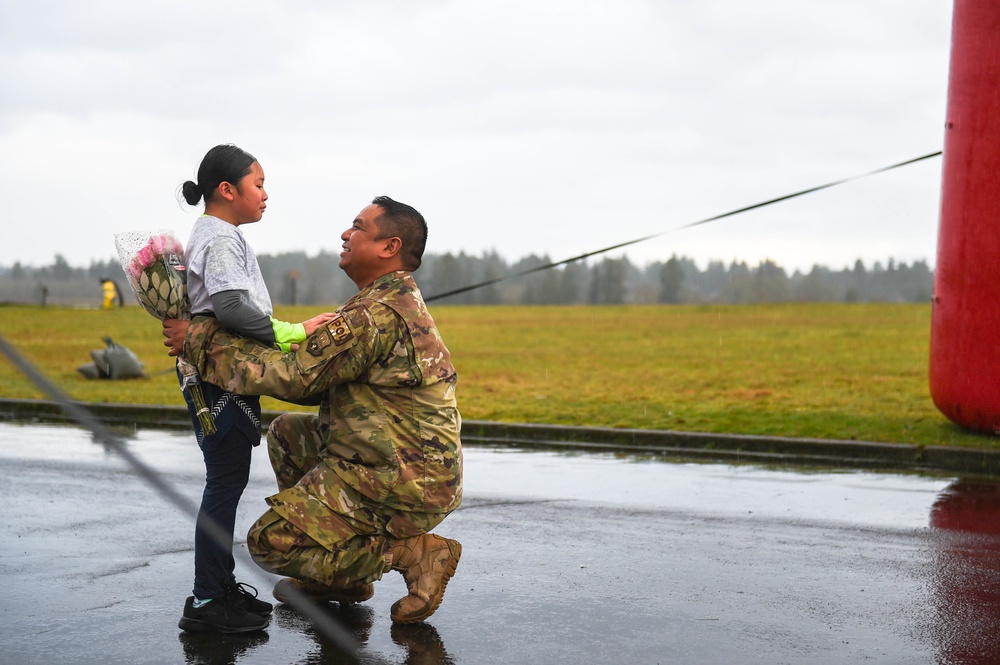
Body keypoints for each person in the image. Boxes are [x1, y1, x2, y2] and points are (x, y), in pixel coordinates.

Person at [163, 196, 463, 625]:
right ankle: (336, 579)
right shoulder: (381, 304)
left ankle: (415, 554)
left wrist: (200, 340)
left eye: (358, 227)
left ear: (389, 247)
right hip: (408, 463)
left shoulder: (372, 315)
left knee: (270, 542)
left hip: (403, 478)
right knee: (289, 434)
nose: (346, 233)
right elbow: (312, 380)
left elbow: (293, 378)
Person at [175, 144, 337, 633]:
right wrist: (295, 332)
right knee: (224, 485)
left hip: (224, 373)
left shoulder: (217, 232)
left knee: (228, 482)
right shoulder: (220, 236)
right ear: (227, 190)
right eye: (259, 184)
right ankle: (206, 600)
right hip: (218, 380)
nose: (266, 195)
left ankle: (221, 588)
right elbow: (228, 306)